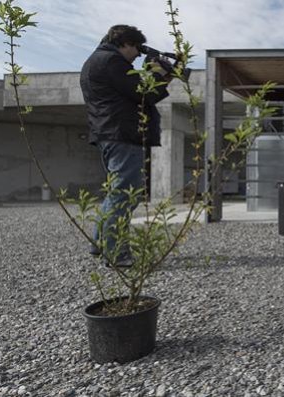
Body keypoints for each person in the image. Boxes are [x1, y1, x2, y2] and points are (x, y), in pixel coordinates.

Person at [80, 25, 170, 265]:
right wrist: (159, 75)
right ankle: (116, 252)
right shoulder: (112, 62)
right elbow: (144, 94)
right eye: (136, 50)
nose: (137, 56)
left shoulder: (96, 61)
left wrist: (160, 75)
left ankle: (101, 244)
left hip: (109, 134)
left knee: (116, 193)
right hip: (122, 135)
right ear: (126, 43)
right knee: (125, 196)